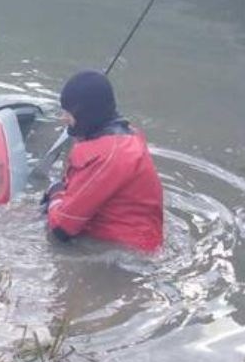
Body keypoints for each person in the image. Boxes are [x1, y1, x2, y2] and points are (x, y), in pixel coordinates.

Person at [42, 71, 163, 252]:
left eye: (69, 112)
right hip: (135, 242)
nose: (63, 118)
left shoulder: (108, 157)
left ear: (86, 114)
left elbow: (62, 229)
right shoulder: (126, 136)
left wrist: (56, 193)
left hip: (123, 254)